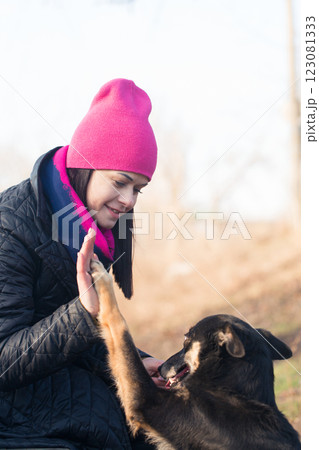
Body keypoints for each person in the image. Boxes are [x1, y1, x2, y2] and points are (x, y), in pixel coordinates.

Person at [0, 79, 164, 449]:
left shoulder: (92, 229)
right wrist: (83, 314)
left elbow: (78, 345)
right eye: (120, 182)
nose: (128, 200)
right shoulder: (11, 226)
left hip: (64, 394)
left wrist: (135, 365)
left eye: (138, 188)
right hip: (15, 413)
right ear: (85, 167)